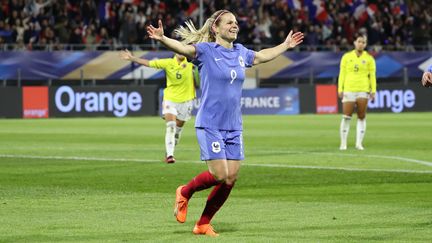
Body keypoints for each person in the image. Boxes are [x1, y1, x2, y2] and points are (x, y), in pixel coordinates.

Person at [146, 10, 304, 236]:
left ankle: (202, 224)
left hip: (234, 125)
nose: (234, 25)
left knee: (231, 178)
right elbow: (183, 49)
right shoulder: (206, 51)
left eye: (236, 22)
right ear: (216, 28)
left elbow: (261, 56)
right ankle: (185, 192)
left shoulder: (241, 52)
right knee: (219, 175)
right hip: (210, 123)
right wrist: (162, 39)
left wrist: (285, 45)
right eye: (229, 22)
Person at [119, 50, 196, 163]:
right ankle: (170, 155)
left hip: (186, 101)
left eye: (182, 50)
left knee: (177, 131)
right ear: (175, 52)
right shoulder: (168, 63)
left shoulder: (191, 62)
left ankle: (172, 145)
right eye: (178, 50)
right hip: (170, 99)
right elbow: (149, 63)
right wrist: (132, 58)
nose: (181, 52)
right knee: (171, 126)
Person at [338, 33, 376, 151]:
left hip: (363, 90)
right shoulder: (346, 57)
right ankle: (343, 143)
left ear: (365, 44)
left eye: (363, 42)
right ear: (354, 42)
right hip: (349, 89)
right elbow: (342, 74)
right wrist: (340, 88)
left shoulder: (369, 58)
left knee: (361, 117)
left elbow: (372, 76)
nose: (361, 44)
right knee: (346, 117)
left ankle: (359, 144)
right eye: (359, 41)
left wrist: (373, 90)